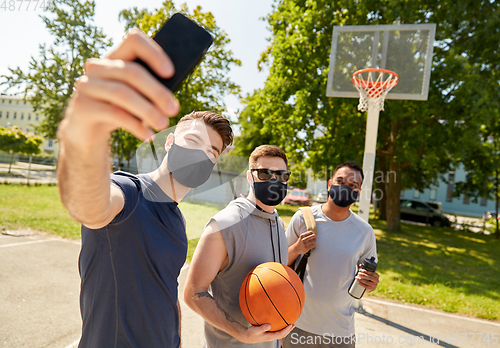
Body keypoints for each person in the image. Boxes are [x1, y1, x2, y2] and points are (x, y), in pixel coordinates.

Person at [57, 28, 233, 348]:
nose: (202, 155)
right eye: (193, 141)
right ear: (169, 142)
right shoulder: (129, 194)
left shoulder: (177, 220)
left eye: (212, 152)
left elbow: (166, 290)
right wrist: (83, 134)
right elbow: (88, 204)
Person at [183, 145, 295, 348]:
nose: (273, 180)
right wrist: (240, 332)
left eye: (281, 175)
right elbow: (193, 292)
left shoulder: (278, 223)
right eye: (264, 173)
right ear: (250, 177)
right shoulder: (225, 223)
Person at [282, 161, 380, 348]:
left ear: (358, 192)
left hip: (340, 332)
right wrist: (297, 248)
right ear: (329, 184)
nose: (345, 188)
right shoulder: (303, 218)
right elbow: (278, 264)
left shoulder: (365, 232)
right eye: (340, 181)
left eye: (353, 185)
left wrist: (370, 284)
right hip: (297, 324)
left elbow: (364, 283)